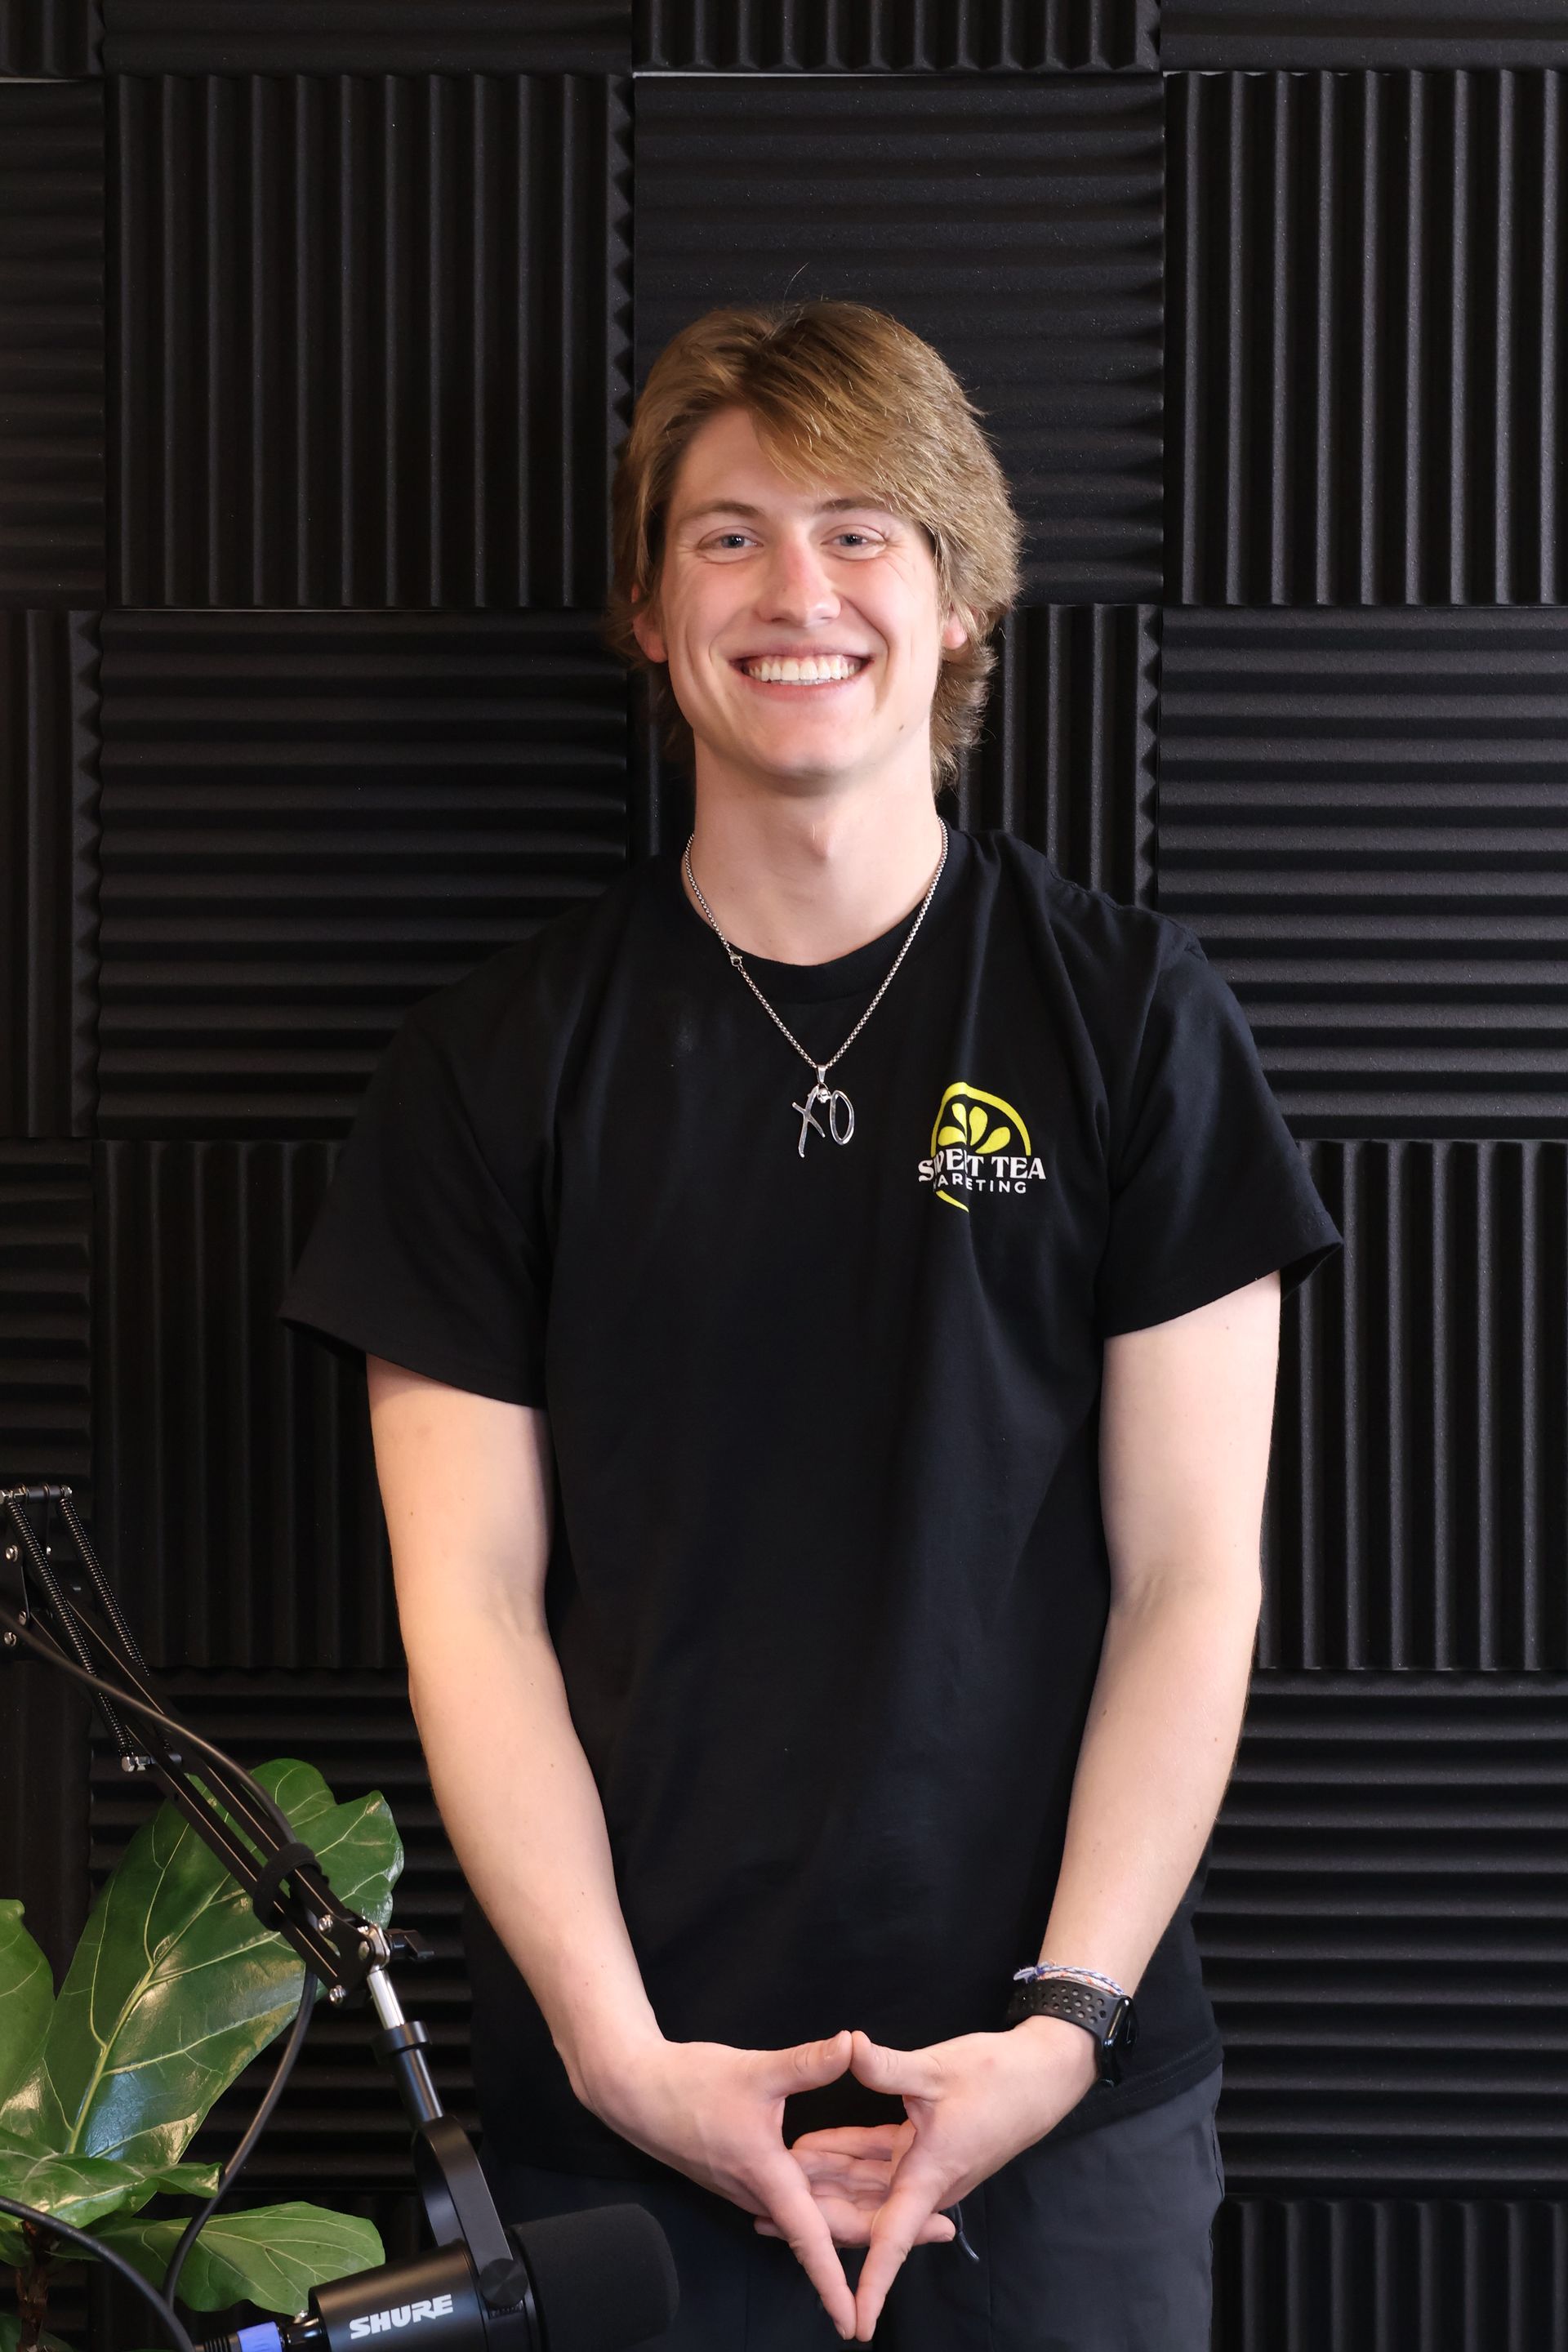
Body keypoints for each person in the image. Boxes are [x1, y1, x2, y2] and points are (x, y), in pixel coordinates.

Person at [277, 299, 1343, 2351]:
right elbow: (473, 1604)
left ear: (957, 600)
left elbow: (1191, 1578)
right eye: (729, 534)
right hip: (631, 2121)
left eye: (864, 532)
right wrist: (618, 2055)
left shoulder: (1133, 1020)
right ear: (650, 613)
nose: (797, 591)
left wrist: (1063, 2026)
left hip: (1065, 2112)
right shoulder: (493, 1065)